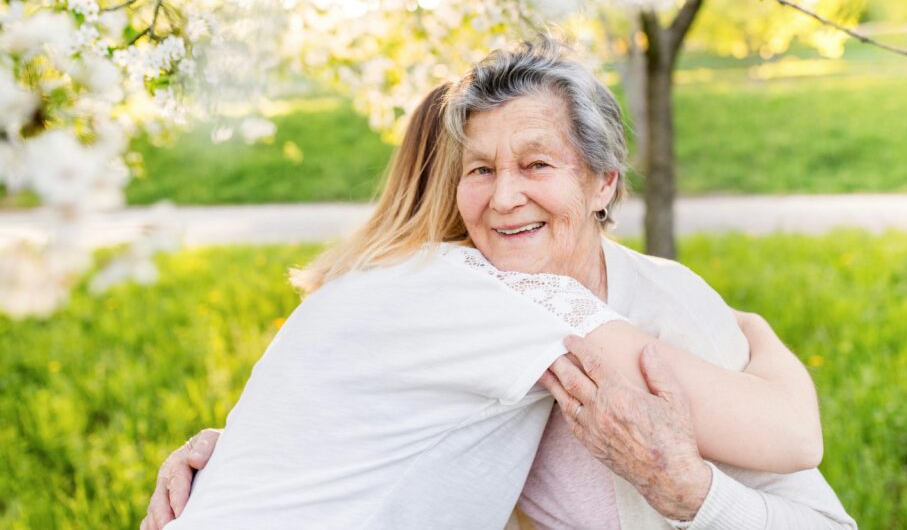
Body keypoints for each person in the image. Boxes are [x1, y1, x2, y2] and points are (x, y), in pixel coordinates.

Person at [143, 37, 855, 529]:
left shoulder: (666, 314)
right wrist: (234, 456)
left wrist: (696, 493)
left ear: (604, 180)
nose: (503, 197)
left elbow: (800, 453)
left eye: (537, 164)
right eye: (478, 170)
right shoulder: (492, 298)